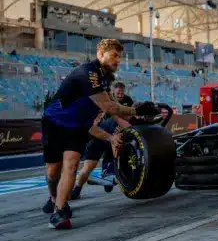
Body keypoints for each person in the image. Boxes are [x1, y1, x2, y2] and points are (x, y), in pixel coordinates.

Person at [41, 39, 158, 229]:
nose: (118, 60)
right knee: (53, 170)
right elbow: (109, 107)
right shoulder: (89, 73)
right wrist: (137, 110)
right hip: (55, 122)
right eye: (114, 56)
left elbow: (115, 109)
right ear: (100, 54)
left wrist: (138, 116)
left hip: (79, 126)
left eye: (120, 57)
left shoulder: (106, 78)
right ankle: (54, 198)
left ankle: (59, 212)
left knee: (71, 165)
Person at [71, 81, 135, 199]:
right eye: (118, 93)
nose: (120, 95)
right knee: (88, 167)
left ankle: (108, 175)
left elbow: (127, 118)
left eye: (122, 93)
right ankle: (77, 189)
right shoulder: (104, 105)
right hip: (101, 136)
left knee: (115, 153)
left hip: (114, 135)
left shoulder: (126, 104)